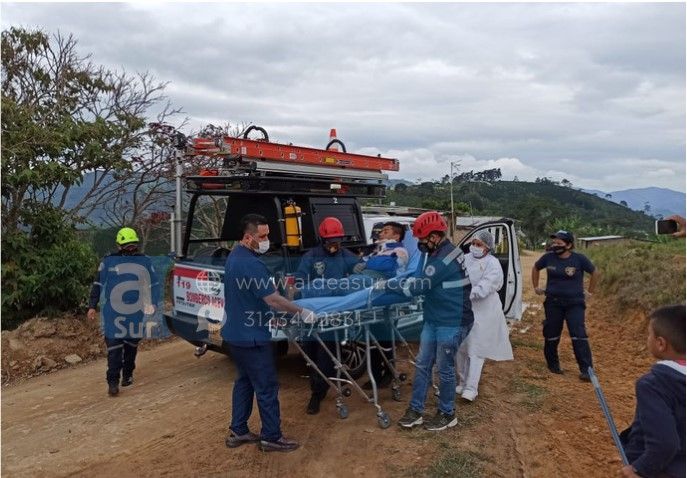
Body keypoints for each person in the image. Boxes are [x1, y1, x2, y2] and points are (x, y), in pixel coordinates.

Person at [222, 214, 314, 452]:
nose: (266, 241)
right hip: (251, 337)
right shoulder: (251, 264)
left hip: (235, 333)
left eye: (267, 235)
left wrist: (272, 311)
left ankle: (238, 430)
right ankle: (272, 436)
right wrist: (301, 311)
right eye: (262, 236)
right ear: (248, 237)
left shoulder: (235, 256)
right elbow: (272, 299)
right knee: (266, 386)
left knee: (244, 381)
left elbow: (251, 295)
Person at [381, 211, 473, 431]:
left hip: (452, 320)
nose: (420, 243)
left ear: (435, 236)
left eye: (422, 239)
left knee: (444, 367)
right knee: (423, 363)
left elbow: (416, 287)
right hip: (434, 317)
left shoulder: (442, 259)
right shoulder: (437, 251)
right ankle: (416, 410)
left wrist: (387, 285)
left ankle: (447, 413)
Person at [292, 216, 362, 415]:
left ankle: (317, 393)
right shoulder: (311, 257)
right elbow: (300, 280)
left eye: (337, 242)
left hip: (333, 313)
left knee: (326, 353)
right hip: (312, 312)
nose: (334, 245)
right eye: (331, 242)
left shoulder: (345, 255)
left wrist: (359, 270)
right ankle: (319, 384)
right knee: (310, 353)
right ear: (322, 240)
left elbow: (359, 270)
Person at [87, 227, 160, 397]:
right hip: (113, 310)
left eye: (133, 246)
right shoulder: (108, 261)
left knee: (131, 344)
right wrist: (92, 306)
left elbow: (154, 284)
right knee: (114, 346)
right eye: (127, 246)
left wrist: (153, 303)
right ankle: (112, 381)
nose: (130, 249)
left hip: (135, 309)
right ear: (119, 246)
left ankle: (127, 373)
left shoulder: (145, 261)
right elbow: (98, 285)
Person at [619, 304, 685, 478]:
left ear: (661, 343)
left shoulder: (653, 385)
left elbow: (666, 443)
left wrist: (639, 469)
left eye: (649, 334)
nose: (647, 338)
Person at [532, 230, 599, 381]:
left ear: (568, 245)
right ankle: (553, 365)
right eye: (554, 242)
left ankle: (586, 370)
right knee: (552, 334)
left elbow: (595, 272)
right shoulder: (548, 258)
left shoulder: (579, 259)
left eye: (559, 243)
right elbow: (535, 268)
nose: (555, 245)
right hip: (553, 303)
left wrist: (590, 292)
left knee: (578, 334)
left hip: (575, 304)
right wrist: (536, 287)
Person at [456, 230, 513, 402]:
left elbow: (486, 286)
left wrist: (466, 293)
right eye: (473, 243)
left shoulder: (493, 264)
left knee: (476, 349)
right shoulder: (464, 259)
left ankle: (471, 388)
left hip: (484, 311)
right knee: (461, 347)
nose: (474, 247)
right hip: (465, 308)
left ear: (487, 247)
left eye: (479, 244)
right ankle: (462, 382)